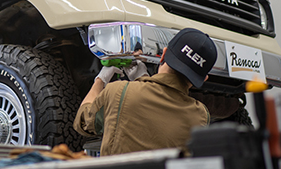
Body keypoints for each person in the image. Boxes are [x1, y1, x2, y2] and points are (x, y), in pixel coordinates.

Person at [74, 27, 218, 156]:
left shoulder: (118, 91)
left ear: (164, 54)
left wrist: (100, 80)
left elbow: (82, 122)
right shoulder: (200, 116)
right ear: (204, 78)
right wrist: (143, 79)